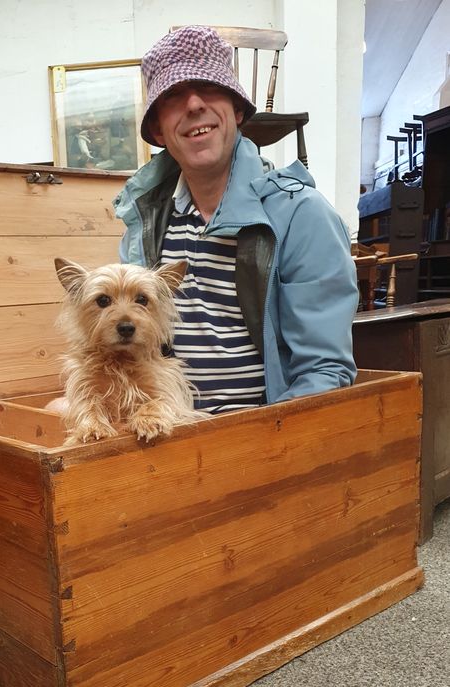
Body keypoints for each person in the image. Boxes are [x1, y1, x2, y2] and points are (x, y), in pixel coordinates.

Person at [113, 26, 359, 411]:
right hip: (167, 434)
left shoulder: (301, 215)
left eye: (209, 87)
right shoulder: (145, 224)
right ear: (158, 130)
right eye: (174, 95)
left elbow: (323, 370)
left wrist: (259, 444)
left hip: (263, 436)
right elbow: (132, 354)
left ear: (238, 109)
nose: (194, 104)